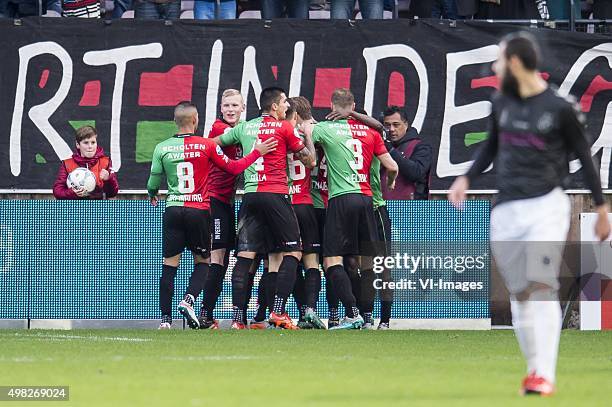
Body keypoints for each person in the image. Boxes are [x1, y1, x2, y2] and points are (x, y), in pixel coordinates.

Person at [449, 32, 611, 396]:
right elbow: (490, 147)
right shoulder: (501, 102)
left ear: (516, 63)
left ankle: (544, 373)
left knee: (541, 285)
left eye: (499, 60)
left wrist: (601, 208)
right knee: (520, 293)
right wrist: (465, 178)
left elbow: (585, 159)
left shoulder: (560, 107)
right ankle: (533, 369)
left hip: (546, 206)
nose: (494, 67)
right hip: (506, 209)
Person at [147, 101, 276, 330]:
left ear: (174, 121)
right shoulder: (206, 146)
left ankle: (165, 321)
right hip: (199, 210)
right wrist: (257, 152)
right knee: (204, 262)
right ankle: (189, 300)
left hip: (173, 209)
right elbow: (235, 168)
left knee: (169, 265)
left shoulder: (162, 147)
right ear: (196, 120)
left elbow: (153, 182)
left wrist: (153, 194)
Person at [216, 87, 316, 330]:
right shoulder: (284, 127)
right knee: (293, 253)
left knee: (245, 256)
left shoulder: (244, 127)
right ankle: (278, 311)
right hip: (275, 195)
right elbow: (309, 160)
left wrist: (233, 164)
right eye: (284, 103)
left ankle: (238, 320)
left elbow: (213, 145)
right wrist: (309, 139)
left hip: (250, 196)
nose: (286, 107)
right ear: (274, 106)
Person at [302, 88, 398, 330]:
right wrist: (391, 181)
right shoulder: (371, 132)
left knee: (332, 261)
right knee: (368, 264)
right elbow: (392, 165)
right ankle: (368, 318)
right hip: (368, 200)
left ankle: (352, 312)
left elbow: (307, 135)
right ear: (352, 105)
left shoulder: (326, 128)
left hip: (341, 199)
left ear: (333, 107)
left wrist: (309, 140)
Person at [197, 89, 245, 329]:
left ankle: (207, 313)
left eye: (235, 105)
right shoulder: (219, 128)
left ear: (242, 108)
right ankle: (204, 313)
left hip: (226, 201)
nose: (230, 109)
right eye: (226, 105)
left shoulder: (239, 129)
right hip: (214, 200)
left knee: (223, 260)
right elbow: (238, 137)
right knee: (216, 258)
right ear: (220, 108)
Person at [285, 96, 326, 329]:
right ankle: (310, 309)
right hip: (308, 203)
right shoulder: (319, 133)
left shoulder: (282, 134)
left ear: (294, 115)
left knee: (288, 260)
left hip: (286, 205)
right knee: (312, 262)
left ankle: (292, 310)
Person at [53, 125, 119, 200]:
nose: (90, 146)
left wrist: (109, 179)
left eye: (93, 142)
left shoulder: (105, 162)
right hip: (74, 209)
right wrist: (73, 192)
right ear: (78, 145)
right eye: (86, 143)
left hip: (98, 209)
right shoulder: (67, 164)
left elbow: (112, 193)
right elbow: (57, 192)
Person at [381, 106, 432, 201]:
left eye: (396, 125)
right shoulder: (379, 146)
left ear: (406, 125)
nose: (391, 129)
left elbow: (416, 173)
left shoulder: (421, 147)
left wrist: (390, 149)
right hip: (383, 205)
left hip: (411, 207)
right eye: (387, 125)